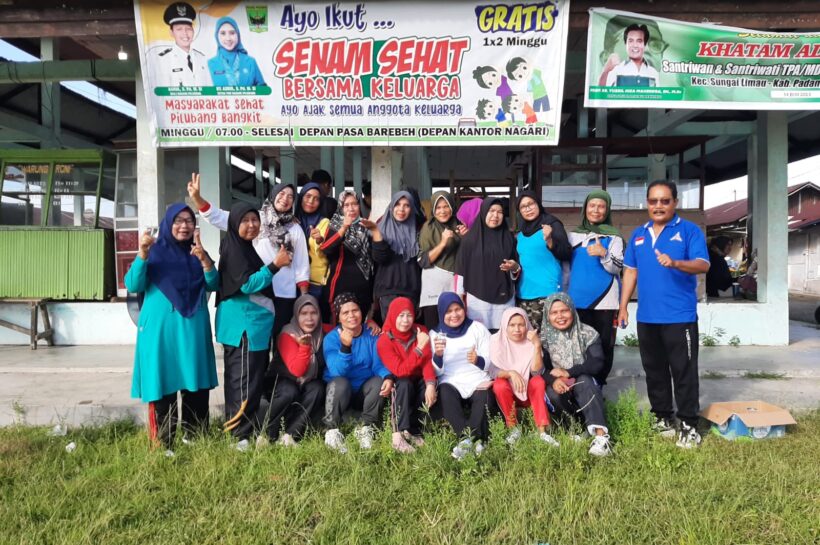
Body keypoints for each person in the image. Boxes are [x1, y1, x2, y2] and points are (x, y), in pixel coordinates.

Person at [619, 180, 710, 449]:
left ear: (675, 203)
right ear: (647, 203)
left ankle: (689, 424)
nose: (658, 206)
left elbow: (703, 264)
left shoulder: (689, 231)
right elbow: (630, 272)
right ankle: (662, 417)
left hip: (679, 317)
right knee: (655, 371)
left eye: (665, 201)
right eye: (653, 201)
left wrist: (676, 262)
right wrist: (623, 306)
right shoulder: (639, 234)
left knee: (683, 372)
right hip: (647, 317)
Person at [125, 204, 218, 455]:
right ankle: (164, 444)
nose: (184, 226)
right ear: (168, 223)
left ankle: (195, 437)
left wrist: (204, 260)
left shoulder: (197, 252)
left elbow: (214, 283)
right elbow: (133, 284)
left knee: (195, 383)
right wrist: (142, 254)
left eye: (189, 220)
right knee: (162, 383)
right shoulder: (153, 252)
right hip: (160, 333)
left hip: (192, 330)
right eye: (178, 220)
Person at [189, 174, 310, 338]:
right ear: (273, 195)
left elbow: (302, 265)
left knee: (282, 341)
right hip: (259, 290)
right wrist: (197, 198)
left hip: (284, 293)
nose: (285, 199)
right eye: (282, 194)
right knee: (260, 341)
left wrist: (303, 296)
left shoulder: (295, 228)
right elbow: (218, 216)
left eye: (290, 196)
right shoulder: (254, 219)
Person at [215, 202, 292, 450]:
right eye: (245, 221)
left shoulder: (244, 248)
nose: (252, 225)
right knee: (243, 382)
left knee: (251, 381)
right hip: (243, 328)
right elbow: (247, 284)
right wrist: (275, 265)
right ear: (234, 224)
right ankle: (238, 436)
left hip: (253, 329)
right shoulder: (234, 250)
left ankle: (245, 431)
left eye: (255, 220)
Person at [541, 293, 612, 457]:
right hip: (559, 384)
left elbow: (597, 362)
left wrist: (569, 372)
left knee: (585, 382)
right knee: (552, 392)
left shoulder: (587, 333)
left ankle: (601, 438)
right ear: (547, 315)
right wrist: (553, 380)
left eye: (564, 311)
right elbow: (539, 370)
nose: (560, 316)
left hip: (583, 379)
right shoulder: (543, 338)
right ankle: (576, 429)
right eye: (554, 312)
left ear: (572, 310)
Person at [322, 293, 393, 453]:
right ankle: (331, 431)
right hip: (341, 392)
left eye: (355, 310)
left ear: (361, 312)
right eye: (345, 312)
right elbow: (337, 371)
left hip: (363, 391)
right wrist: (345, 347)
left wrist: (387, 376)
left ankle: (365, 428)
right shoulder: (332, 338)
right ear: (338, 317)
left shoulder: (371, 334)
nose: (351, 315)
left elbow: (378, 364)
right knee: (339, 382)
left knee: (379, 381)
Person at [567, 190, 624, 385]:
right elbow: (565, 267)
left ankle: (598, 385)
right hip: (575, 301)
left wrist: (604, 253)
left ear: (607, 210)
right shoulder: (573, 236)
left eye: (601, 206)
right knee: (578, 345)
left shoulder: (614, 237)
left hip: (605, 303)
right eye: (592, 205)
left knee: (604, 346)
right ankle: (580, 386)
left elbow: (617, 268)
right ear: (585, 208)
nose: (596, 210)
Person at [430, 292, 494, 460]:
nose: (454, 315)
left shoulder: (477, 328)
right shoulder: (435, 334)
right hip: (451, 379)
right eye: (448, 311)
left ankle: (472, 439)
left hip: (477, 377)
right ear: (441, 313)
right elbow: (436, 372)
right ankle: (466, 438)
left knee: (485, 395)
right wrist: (438, 355)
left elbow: (491, 359)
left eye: (457, 309)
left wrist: (478, 360)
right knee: (444, 392)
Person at [489, 307, 558, 446]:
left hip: (529, 394)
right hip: (509, 395)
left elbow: (537, 372)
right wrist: (511, 373)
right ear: (505, 325)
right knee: (499, 384)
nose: (517, 329)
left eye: (521, 324)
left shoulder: (531, 341)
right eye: (512, 325)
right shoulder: (495, 341)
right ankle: (513, 429)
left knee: (538, 381)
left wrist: (537, 345)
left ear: (527, 325)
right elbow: (493, 371)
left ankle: (542, 432)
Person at [377, 297, 437, 453]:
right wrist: (419, 347)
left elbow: (426, 361)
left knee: (425, 384)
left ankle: (412, 430)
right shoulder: (384, 340)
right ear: (392, 315)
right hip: (399, 379)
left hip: (416, 376)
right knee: (404, 383)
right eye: (401, 315)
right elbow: (400, 370)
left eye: (409, 315)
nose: (405, 320)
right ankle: (397, 435)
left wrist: (431, 385)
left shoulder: (420, 331)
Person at [265, 295, 326, 446]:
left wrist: (369, 323)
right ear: (296, 314)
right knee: (289, 391)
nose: (309, 318)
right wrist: (304, 346)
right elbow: (297, 370)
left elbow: (344, 328)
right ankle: (266, 434)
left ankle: (290, 435)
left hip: (305, 384)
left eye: (314, 313)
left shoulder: (321, 333)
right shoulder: (288, 333)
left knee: (317, 388)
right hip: (281, 380)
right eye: (304, 313)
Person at [457, 197, 520, 332]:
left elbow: (516, 268)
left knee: (504, 336)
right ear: (483, 212)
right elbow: (461, 270)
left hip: (504, 299)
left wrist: (514, 267)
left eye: (500, 212)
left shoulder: (509, 238)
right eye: (491, 211)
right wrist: (459, 298)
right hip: (478, 300)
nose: (495, 215)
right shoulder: (469, 240)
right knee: (480, 337)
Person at [515, 190, 571, 329]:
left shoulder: (551, 224)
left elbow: (566, 253)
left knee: (548, 338)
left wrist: (550, 240)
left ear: (538, 204)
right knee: (529, 338)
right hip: (523, 294)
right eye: (523, 207)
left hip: (547, 293)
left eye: (531, 204)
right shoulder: (520, 233)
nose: (528, 209)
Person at [317, 191, 376, 324]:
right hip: (340, 287)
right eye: (346, 205)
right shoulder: (335, 225)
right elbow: (326, 249)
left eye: (354, 204)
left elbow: (373, 260)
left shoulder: (366, 226)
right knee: (338, 327)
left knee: (359, 326)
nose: (351, 208)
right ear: (341, 208)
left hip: (363, 288)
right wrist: (344, 228)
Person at [368, 191, 422, 318]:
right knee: (390, 328)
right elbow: (379, 258)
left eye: (406, 205)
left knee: (407, 328)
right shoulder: (379, 229)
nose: (401, 209)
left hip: (411, 291)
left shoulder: (418, 230)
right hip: (387, 291)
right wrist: (376, 233)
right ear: (391, 207)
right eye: (397, 204)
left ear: (412, 209)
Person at [418, 191, 467, 330]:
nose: (442, 211)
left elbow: (466, 255)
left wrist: (466, 237)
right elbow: (423, 261)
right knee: (434, 328)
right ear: (433, 209)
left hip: (455, 283)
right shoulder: (428, 228)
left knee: (455, 324)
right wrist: (443, 242)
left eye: (446, 206)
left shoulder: (459, 225)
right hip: (434, 285)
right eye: (438, 207)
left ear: (452, 207)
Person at [149, 2, 212, 87]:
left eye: (188, 29)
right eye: (179, 29)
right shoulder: (163, 60)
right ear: (171, 32)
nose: (185, 33)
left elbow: (210, 90)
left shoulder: (201, 58)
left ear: (193, 31)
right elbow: (162, 92)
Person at [208, 16, 266, 87]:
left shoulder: (250, 62)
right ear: (216, 36)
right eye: (223, 33)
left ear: (238, 34)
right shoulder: (210, 64)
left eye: (232, 33)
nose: (228, 38)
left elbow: (263, 90)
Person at [297, 182, 330, 302]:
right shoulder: (291, 220)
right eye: (308, 196)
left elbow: (326, 249)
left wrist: (320, 240)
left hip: (314, 281)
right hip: (292, 279)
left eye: (316, 199)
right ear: (301, 197)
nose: (311, 201)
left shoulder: (324, 222)